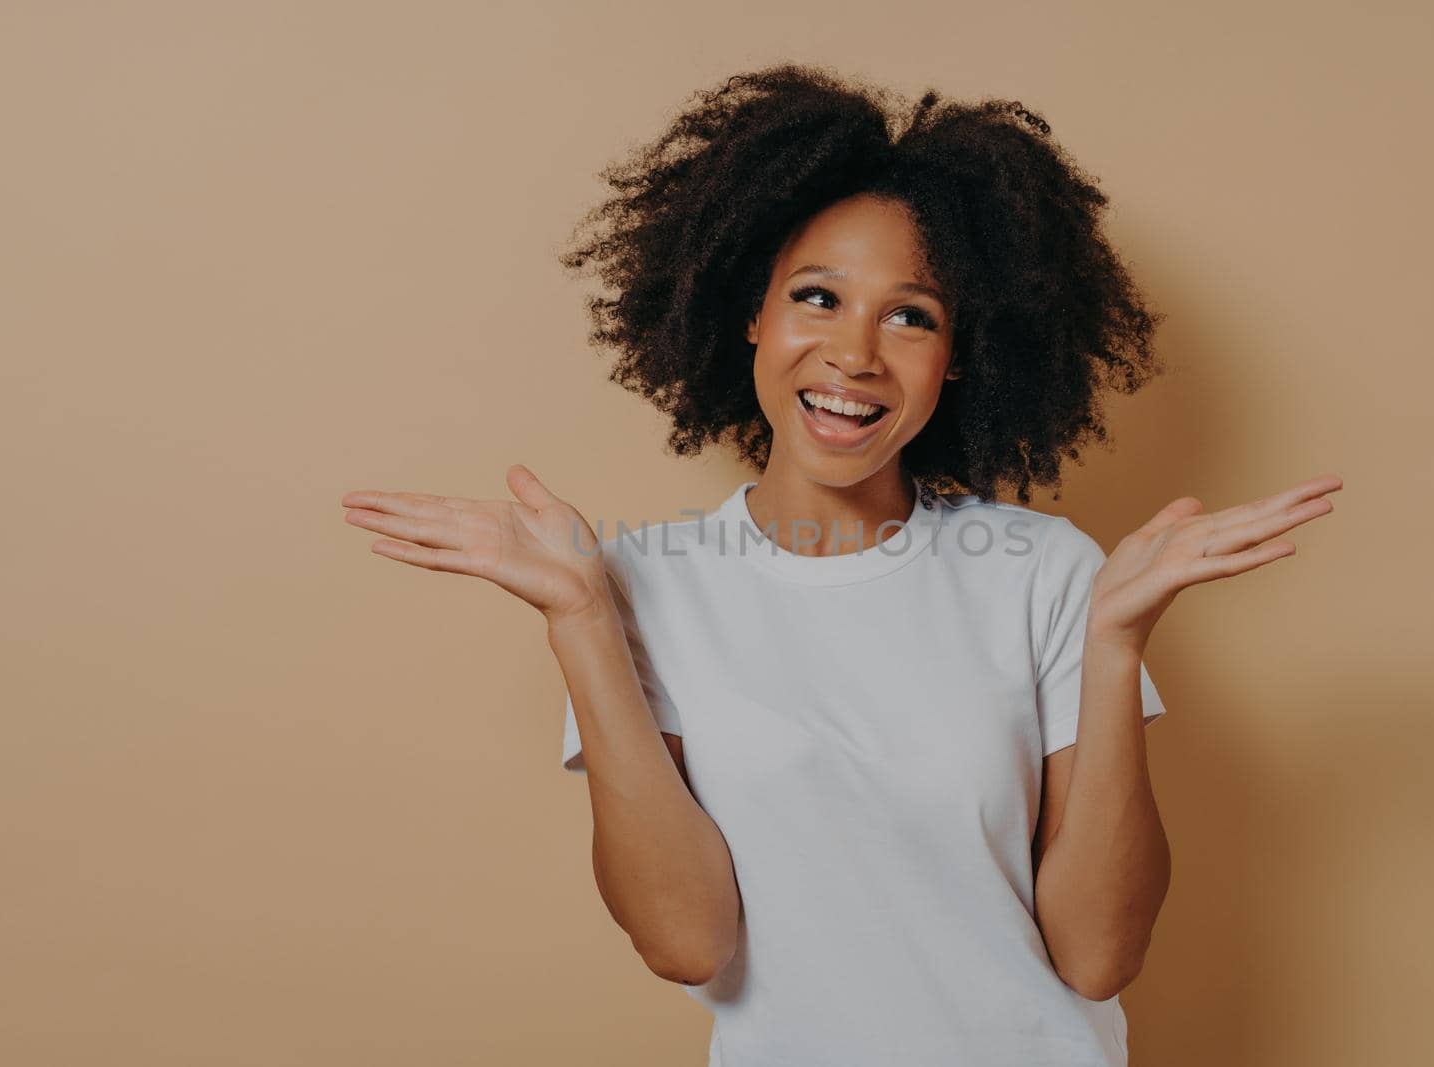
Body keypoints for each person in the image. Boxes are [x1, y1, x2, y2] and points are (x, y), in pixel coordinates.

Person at [340, 63, 1341, 1067]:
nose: (855, 353)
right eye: (816, 297)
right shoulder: (640, 584)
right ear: (752, 314)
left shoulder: (1045, 573)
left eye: (911, 314)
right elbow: (684, 940)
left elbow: (1097, 953)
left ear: (955, 356)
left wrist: (1116, 643)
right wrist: (579, 620)